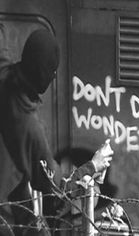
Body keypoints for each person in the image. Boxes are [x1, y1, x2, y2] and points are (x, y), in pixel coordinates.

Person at [0, 29, 113, 236]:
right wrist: (93, 165)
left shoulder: (3, 72)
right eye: (53, 72)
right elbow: (58, 186)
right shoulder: (30, 128)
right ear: (45, 76)